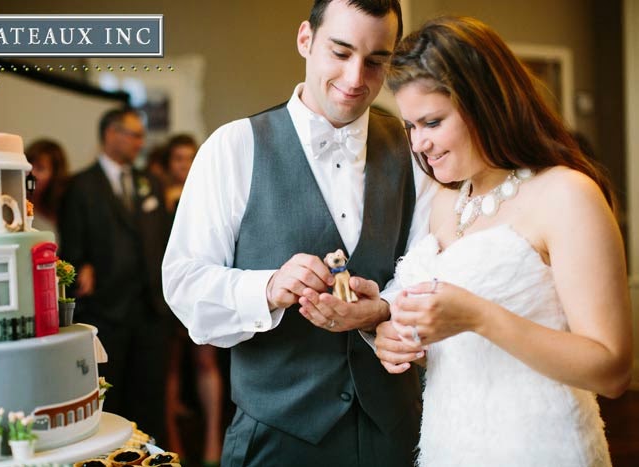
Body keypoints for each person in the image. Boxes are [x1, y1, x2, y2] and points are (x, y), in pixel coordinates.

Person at [162, 1, 431, 465]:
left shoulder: (414, 148)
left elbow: (431, 261)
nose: (354, 78)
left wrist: (383, 307)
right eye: (341, 52)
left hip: (396, 430)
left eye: (375, 61)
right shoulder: (233, 147)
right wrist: (265, 287)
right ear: (305, 39)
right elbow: (183, 281)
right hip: (277, 437)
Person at [374, 16, 632, 466]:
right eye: (411, 126)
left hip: (540, 447)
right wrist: (396, 335)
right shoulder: (443, 203)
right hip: (449, 445)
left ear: (483, 103)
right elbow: (454, 346)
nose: (420, 144)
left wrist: (479, 316)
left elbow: (612, 369)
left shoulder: (566, 195)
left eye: (432, 122)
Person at [58, 107, 172, 443]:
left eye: (141, 135)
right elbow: (71, 248)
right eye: (133, 134)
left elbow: (164, 237)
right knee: (113, 400)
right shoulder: (81, 187)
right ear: (110, 134)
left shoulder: (149, 182)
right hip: (107, 311)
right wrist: (83, 268)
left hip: (151, 310)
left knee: (151, 399)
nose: (140, 142)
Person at [157, 134, 225, 466]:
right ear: (168, 164)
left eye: (189, 157)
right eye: (177, 158)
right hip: (165, 296)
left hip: (204, 288)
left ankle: (214, 441)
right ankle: (173, 444)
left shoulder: (207, 192)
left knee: (205, 362)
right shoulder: (156, 199)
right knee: (168, 368)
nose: (184, 164)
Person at [25, 139, 69, 238]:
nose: (30, 174)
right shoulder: (15, 206)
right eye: (28, 166)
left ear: (54, 175)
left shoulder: (65, 209)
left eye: (40, 168)